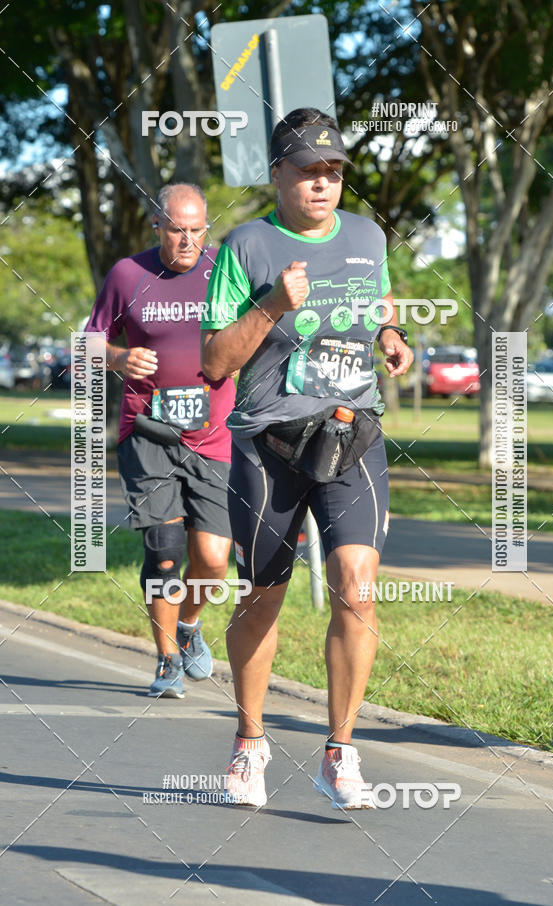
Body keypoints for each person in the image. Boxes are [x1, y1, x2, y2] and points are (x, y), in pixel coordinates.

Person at [200, 109, 413, 808]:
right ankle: (249, 740)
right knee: (264, 593)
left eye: (333, 172)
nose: (323, 185)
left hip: (353, 432)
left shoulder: (366, 234)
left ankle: (340, 751)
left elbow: (375, 300)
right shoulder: (247, 245)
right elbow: (212, 363)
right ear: (278, 175)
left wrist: (391, 335)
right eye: (308, 172)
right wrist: (271, 305)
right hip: (270, 443)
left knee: (357, 584)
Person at [86, 183, 235, 698]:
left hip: (214, 435)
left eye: (197, 230)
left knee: (214, 558)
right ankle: (166, 656)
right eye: (177, 230)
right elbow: (89, 343)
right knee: (165, 549)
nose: (188, 240)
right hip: (147, 430)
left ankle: (190, 624)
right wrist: (119, 359)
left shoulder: (226, 270)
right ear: (158, 226)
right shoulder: (129, 274)